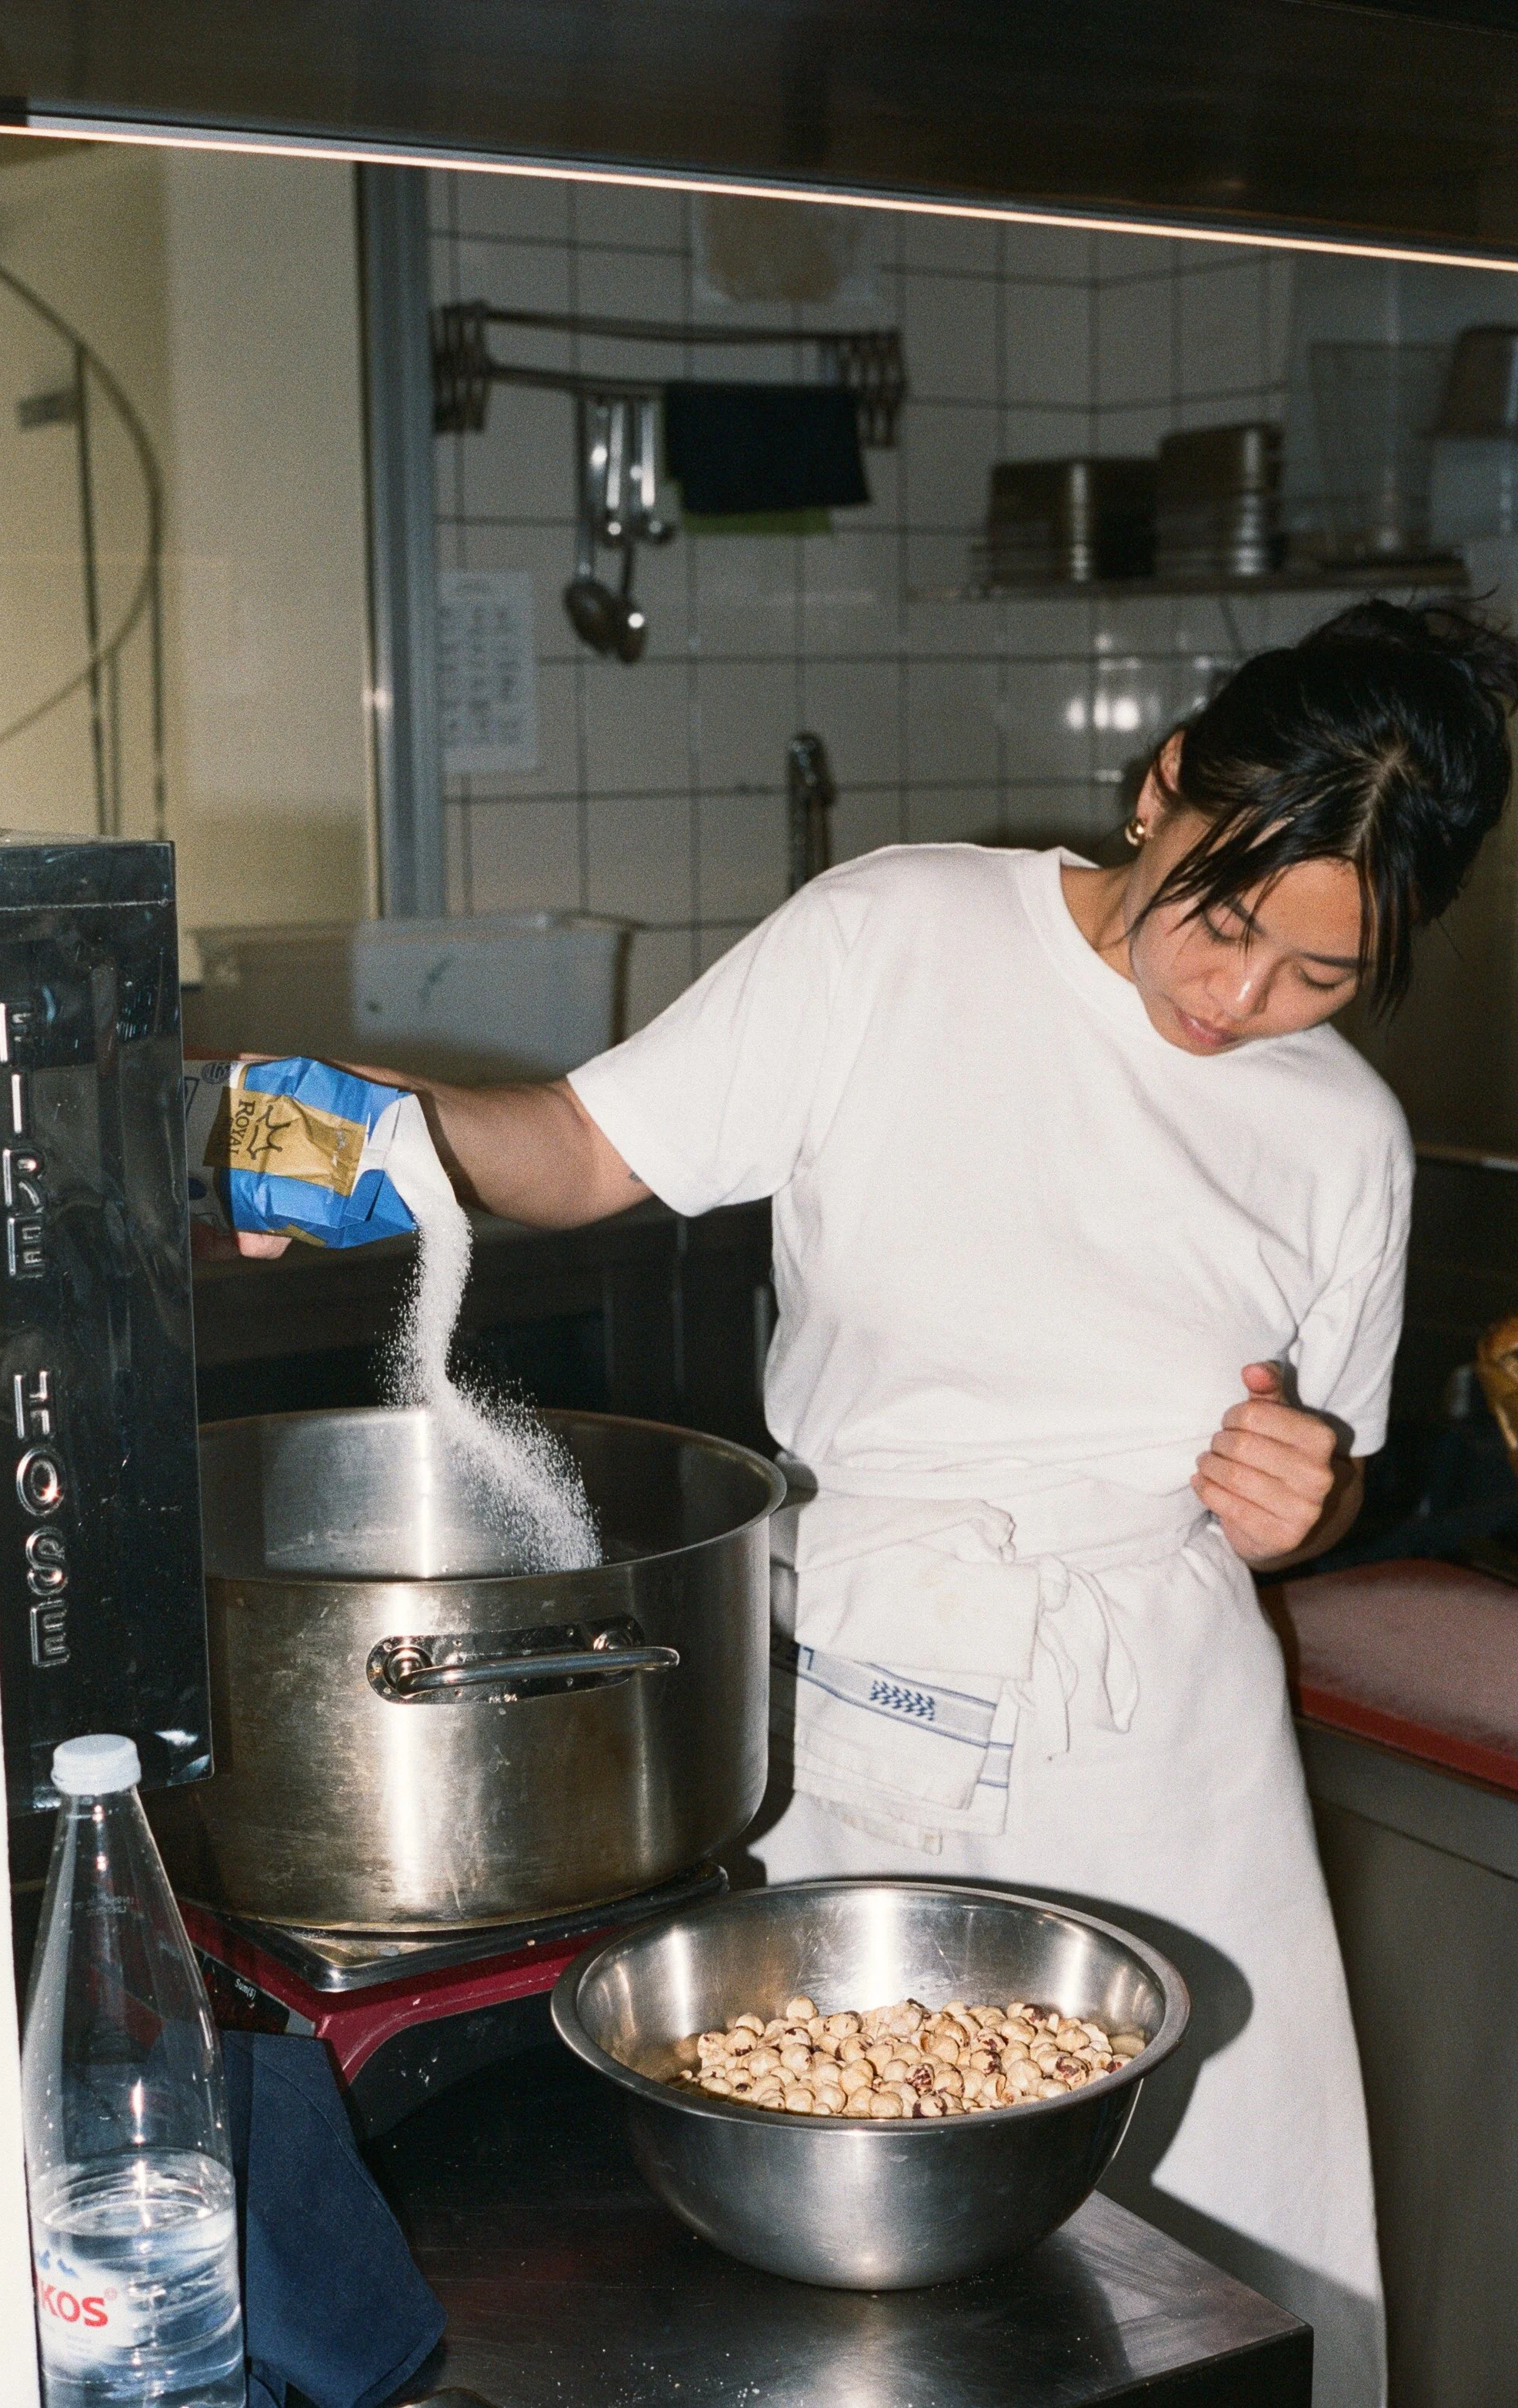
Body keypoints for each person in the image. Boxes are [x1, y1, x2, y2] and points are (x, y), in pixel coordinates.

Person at [222, 599, 1517, 2403]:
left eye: (1313, 976)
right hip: (871, 1708)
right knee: (848, 2267)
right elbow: (595, 1145)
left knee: (1216, 2289)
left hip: (1160, 1743)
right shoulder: (900, 932)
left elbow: (1316, 1479)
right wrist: (374, 1131)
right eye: (1227, 923)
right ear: (1160, 790)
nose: (1236, 1004)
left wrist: (1301, 1500)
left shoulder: (1342, 1136)